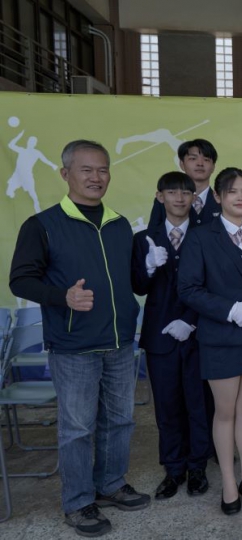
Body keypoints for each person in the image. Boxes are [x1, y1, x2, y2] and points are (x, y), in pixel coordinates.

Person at [9, 140, 149, 537]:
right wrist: (62, 296)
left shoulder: (121, 224)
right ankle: (78, 502)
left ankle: (110, 485)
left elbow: (134, 280)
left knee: (120, 420)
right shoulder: (43, 225)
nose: (96, 177)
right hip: (73, 346)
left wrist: (153, 270)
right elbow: (20, 278)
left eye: (102, 169)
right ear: (65, 173)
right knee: (77, 428)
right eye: (86, 170)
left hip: (121, 340)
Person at [178, 167, 242, 515]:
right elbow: (188, 288)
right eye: (232, 191)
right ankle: (229, 484)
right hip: (220, 335)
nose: (240, 197)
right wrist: (230, 309)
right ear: (217, 197)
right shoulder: (200, 236)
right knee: (225, 412)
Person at [132, 171, 211, 500]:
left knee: (199, 403)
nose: (180, 198)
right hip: (160, 334)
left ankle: (197, 468)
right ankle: (173, 469)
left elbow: (213, 285)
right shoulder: (143, 239)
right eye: (172, 192)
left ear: (194, 198)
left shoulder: (208, 234)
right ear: (159, 196)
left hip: (198, 332)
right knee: (166, 406)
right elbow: (138, 285)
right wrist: (149, 267)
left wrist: (191, 321)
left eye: (186, 192)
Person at [148, 139, 220, 228]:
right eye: (193, 158)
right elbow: (153, 235)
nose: (200, 163)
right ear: (182, 164)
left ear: (213, 167)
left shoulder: (223, 201)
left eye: (206, 159)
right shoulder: (164, 200)